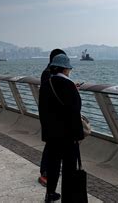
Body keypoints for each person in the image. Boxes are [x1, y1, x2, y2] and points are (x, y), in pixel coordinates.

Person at [39, 54, 84, 202]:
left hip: (51, 134)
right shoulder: (69, 85)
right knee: (69, 167)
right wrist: (78, 134)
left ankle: (49, 194)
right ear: (65, 69)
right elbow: (75, 109)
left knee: (53, 165)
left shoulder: (46, 83)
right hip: (68, 135)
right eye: (68, 69)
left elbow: (43, 109)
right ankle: (68, 197)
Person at [38, 49, 67, 187]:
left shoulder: (48, 72)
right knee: (51, 145)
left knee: (51, 145)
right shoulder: (48, 74)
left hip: (48, 115)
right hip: (51, 117)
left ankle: (48, 171)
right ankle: (45, 172)